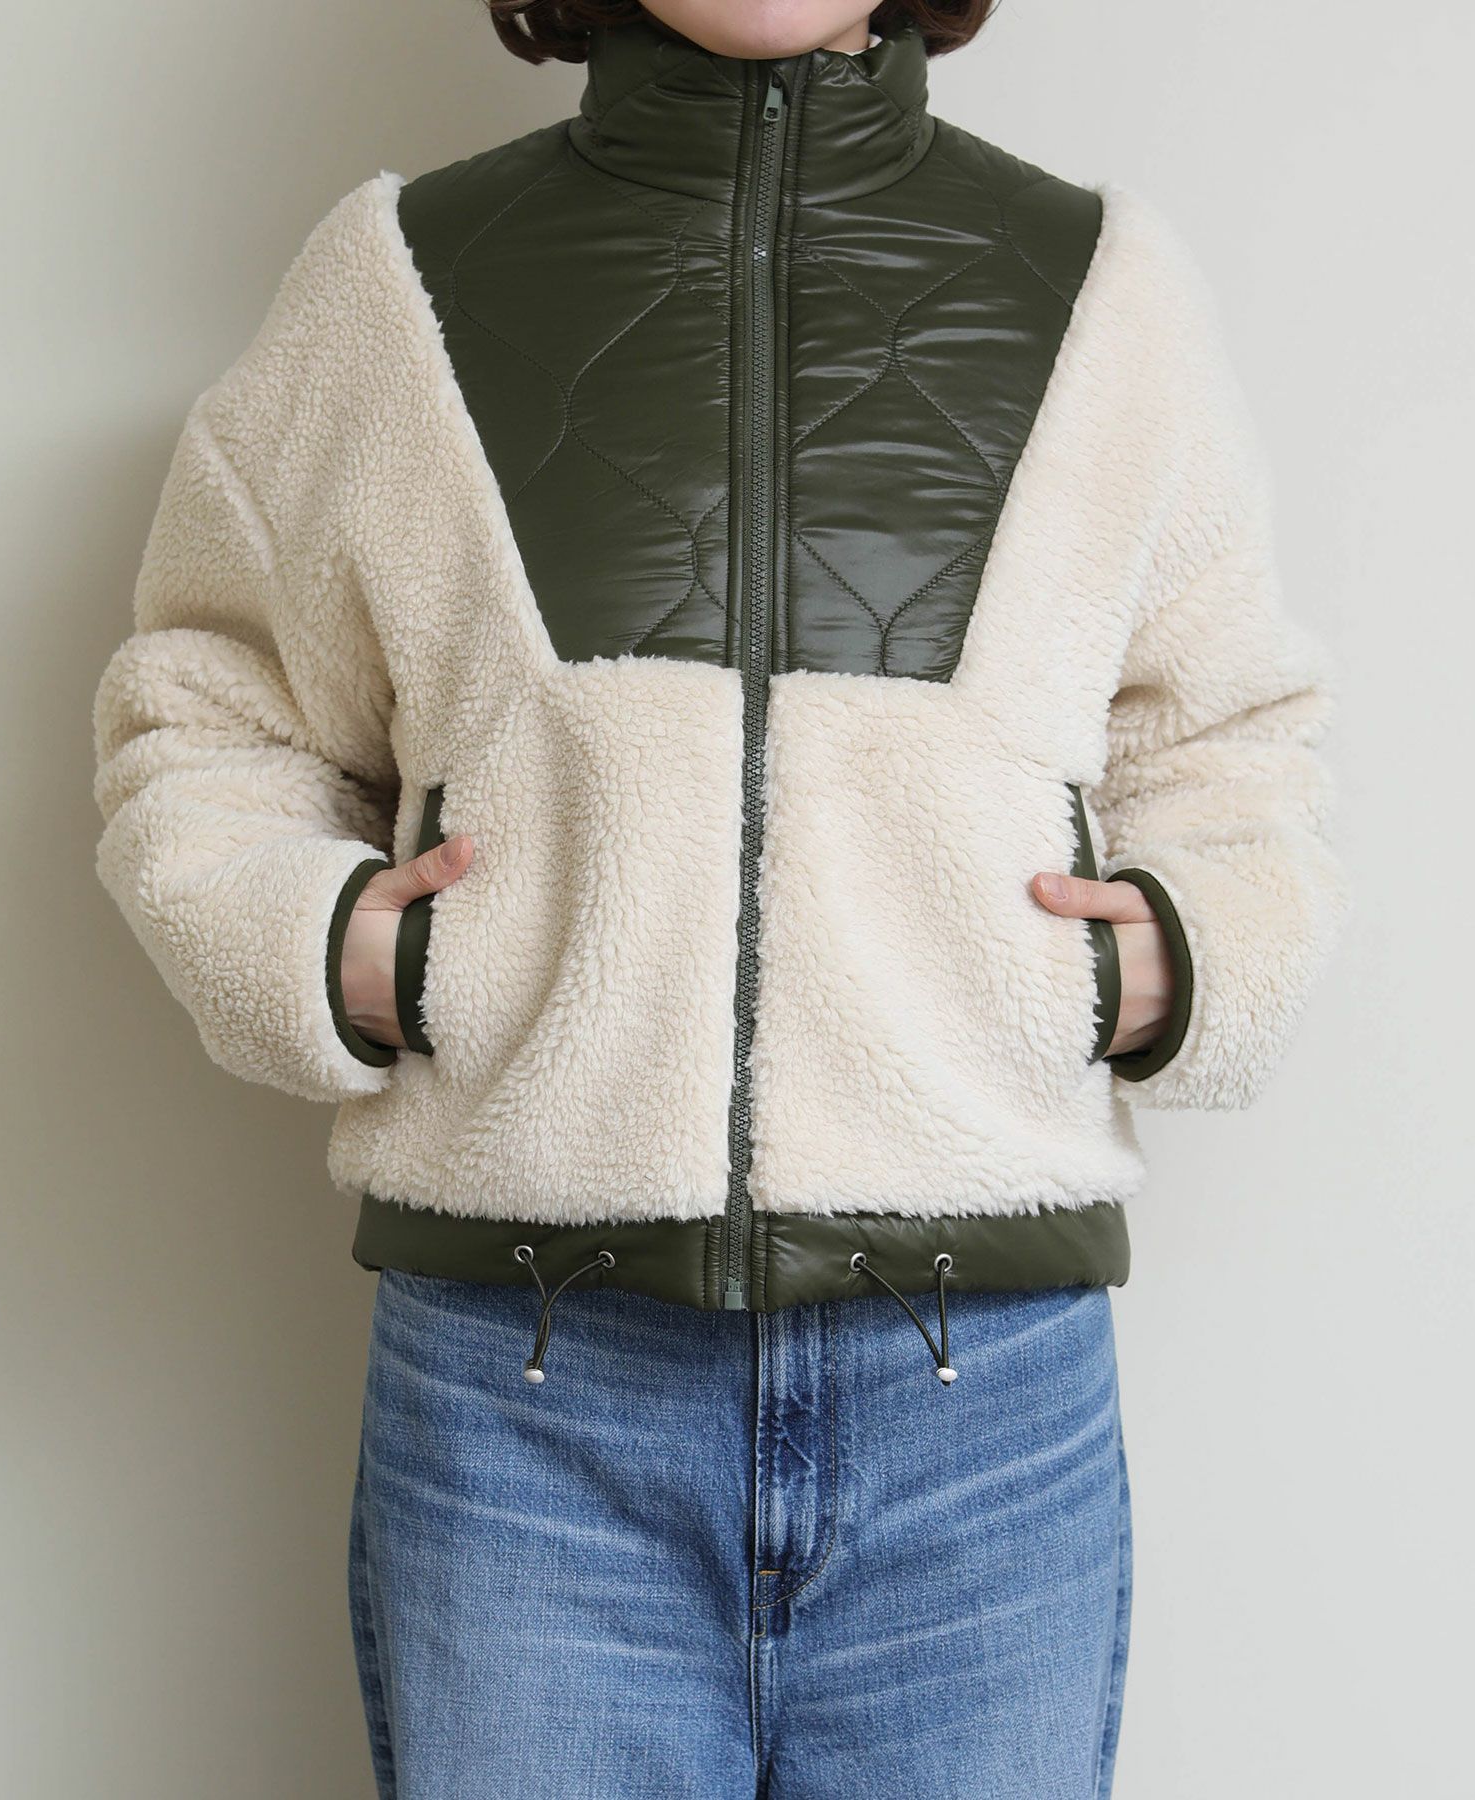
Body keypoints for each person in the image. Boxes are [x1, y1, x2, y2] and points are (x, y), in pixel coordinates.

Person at [91, 1, 1343, 1793]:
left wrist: (1160, 967)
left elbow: (1234, 747)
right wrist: (362, 953)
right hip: (529, 1406)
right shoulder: (398, 284)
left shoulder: (1100, 290)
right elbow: (210, 709)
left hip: (979, 1412)